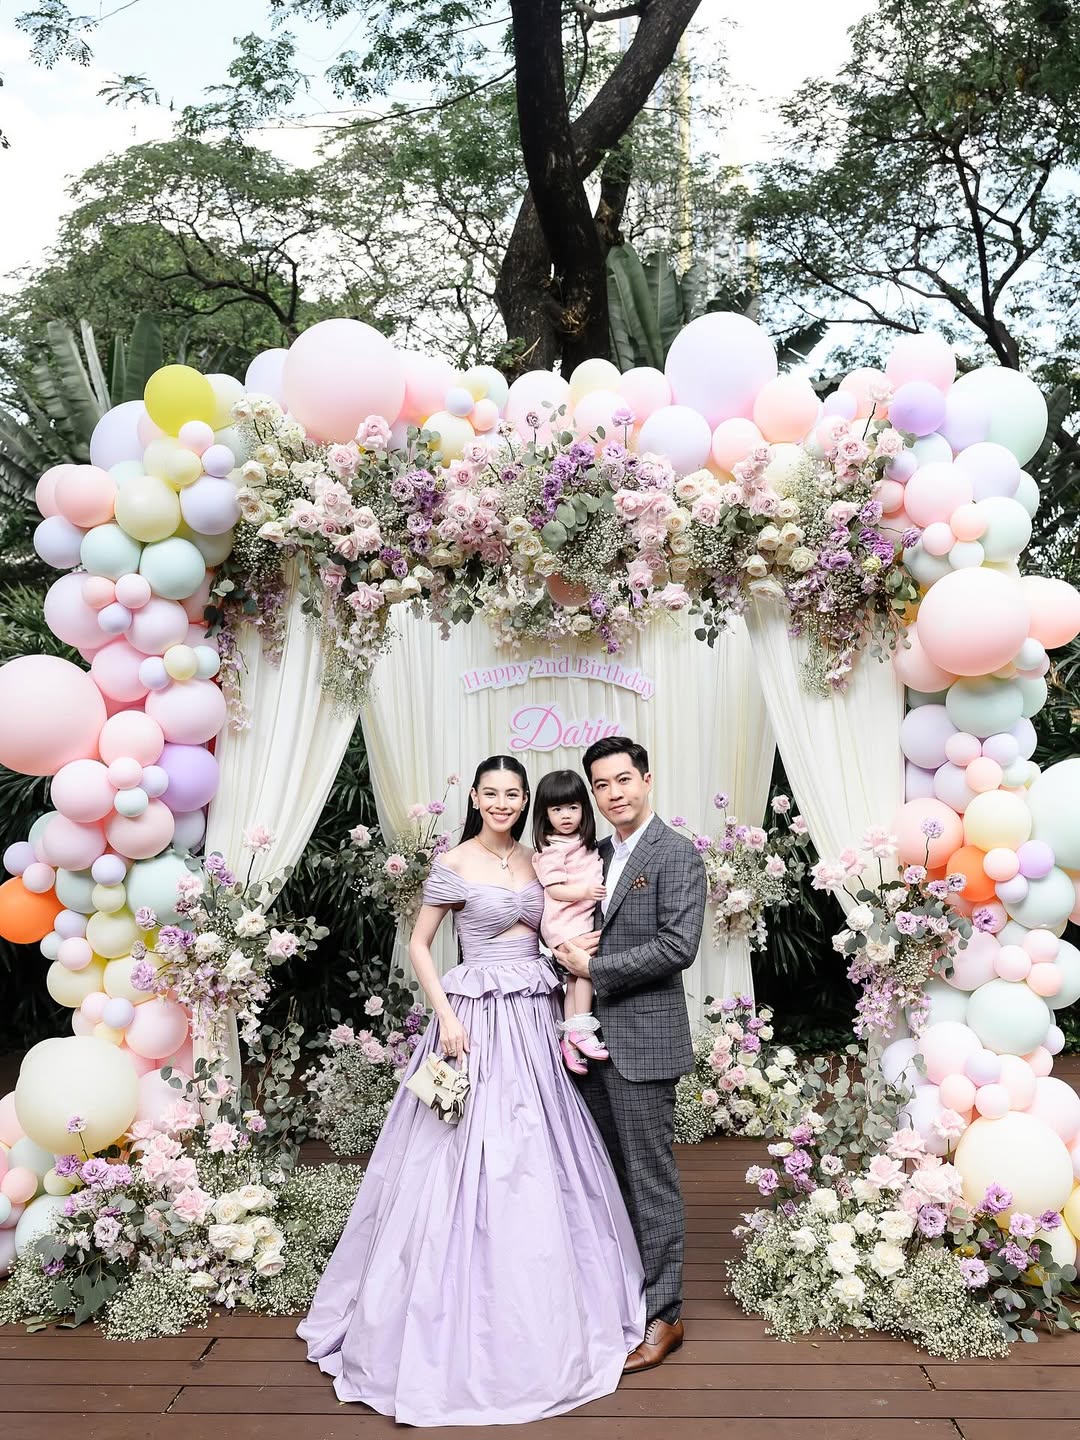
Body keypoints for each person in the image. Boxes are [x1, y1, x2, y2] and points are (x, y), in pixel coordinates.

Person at [298, 754, 645, 1426]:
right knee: (457, 1145)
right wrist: (447, 1017)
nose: (503, 803)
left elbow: (564, 924)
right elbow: (421, 944)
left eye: (514, 793)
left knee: (539, 1147)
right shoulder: (455, 862)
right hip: (474, 1018)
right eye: (492, 793)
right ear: (477, 799)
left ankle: (550, 1301)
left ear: (526, 800)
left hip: (534, 1014)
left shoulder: (540, 859)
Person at [555, 736, 706, 1376]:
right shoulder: (595, 855)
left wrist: (593, 968)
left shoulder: (675, 854)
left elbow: (677, 947)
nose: (613, 794)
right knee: (603, 1175)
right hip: (590, 1040)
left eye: (623, 780)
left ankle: (665, 1315)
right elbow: (570, 929)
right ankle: (621, 1297)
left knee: (648, 1179)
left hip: (643, 1043)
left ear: (646, 779)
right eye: (601, 785)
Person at [531, 768, 610, 1075]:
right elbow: (555, 890)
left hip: (578, 919)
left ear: (584, 809)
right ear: (545, 814)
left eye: (572, 807)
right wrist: (586, 892)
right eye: (557, 809)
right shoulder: (551, 848)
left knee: (574, 979)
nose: (566, 815)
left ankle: (568, 1041)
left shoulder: (584, 843)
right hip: (564, 922)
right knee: (586, 970)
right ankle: (582, 1029)